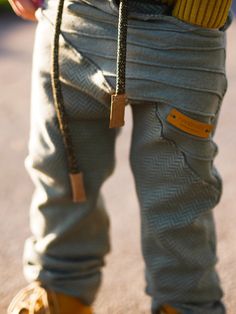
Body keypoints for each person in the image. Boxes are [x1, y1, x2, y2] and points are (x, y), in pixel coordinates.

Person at [7, 0, 233, 313]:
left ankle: (185, 306)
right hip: (72, 22)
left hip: (182, 32)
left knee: (177, 198)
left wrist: (202, 13)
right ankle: (60, 296)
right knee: (59, 173)